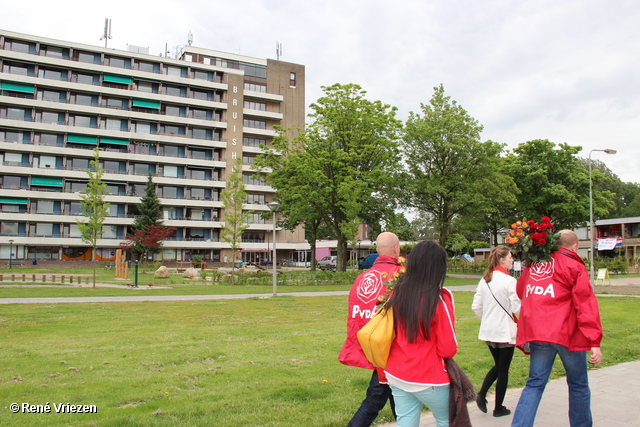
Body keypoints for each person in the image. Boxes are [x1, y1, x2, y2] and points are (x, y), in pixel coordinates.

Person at [511, 230, 603, 427]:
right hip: (567, 334)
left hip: (538, 333)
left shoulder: (535, 263)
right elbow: (585, 304)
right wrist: (594, 341)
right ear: (575, 246)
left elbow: (521, 290)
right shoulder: (574, 265)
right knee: (578, 385)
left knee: (534, 384)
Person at [384, 241, 458, 427]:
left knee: (406, 421)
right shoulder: (439, 299)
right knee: (446, 421)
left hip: (397, 372)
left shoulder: (396, 293)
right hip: (429, 376)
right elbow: (448, 348)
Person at [339, 232, 402, 426]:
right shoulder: (399, 276)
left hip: (373, 345)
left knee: (397, 400)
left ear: (376, 250)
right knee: (375, 400)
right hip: (392, 350)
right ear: (396, 249)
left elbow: (355, 316)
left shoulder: (362, 278)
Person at [471, 246, 521, 417]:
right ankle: (498, 408)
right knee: (503, 369)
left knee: (499, 366)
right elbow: (516, 306)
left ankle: (482, 394)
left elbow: (476, 306)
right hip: (504, 330)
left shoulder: (485, 279)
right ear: (502, 260)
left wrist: (486, 319)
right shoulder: (509, 281)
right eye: (510, 257)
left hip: (489, 330)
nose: (512, 260)